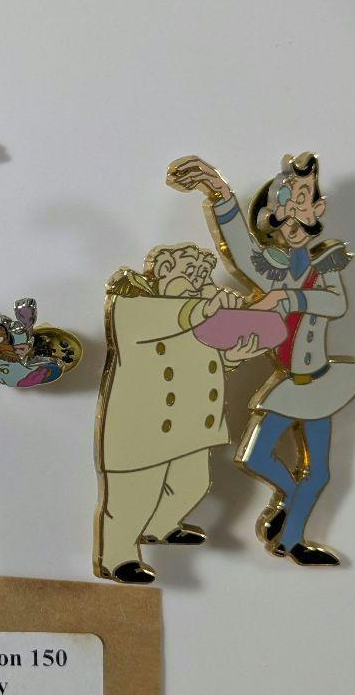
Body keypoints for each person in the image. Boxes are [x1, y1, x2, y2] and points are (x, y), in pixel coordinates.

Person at [169, 153, 355, 565]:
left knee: (320, 472)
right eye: (285, 216)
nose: (293, 223)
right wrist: (220, 194)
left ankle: (293, 540)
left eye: (301, 210)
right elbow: (242, 252)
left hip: (321, 383)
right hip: (288, 386)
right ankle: (290, 497)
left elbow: (336, 303)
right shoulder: (273, 269)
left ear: (318, 212)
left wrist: (289, 299)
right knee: (253, 457)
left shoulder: (325, 265)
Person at [94, 243, 264, 584]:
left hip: (189, 426)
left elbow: (203, 360)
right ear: (163, 271)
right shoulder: (132, 308)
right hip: (142, 427)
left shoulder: (198, 314)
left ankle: (161, 526)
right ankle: (117, 557)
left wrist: (234, 356)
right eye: (190, 273)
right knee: (133, 497)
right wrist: (206, 307)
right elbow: (170, 318)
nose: (198, 281)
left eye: (203, 275)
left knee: (193, 484)